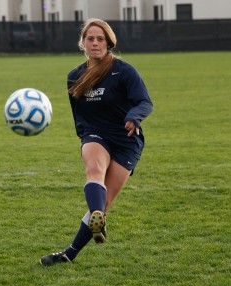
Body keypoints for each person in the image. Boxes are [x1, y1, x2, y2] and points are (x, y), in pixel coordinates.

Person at [40, 18, 153, 266]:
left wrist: (134, 117)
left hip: (126, 139)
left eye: (100, 38)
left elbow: (145, 102)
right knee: (94, 170)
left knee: (103, 203)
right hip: (95, 134)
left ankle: (74, 248)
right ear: (83, 43)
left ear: (108, 42)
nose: (95, 43)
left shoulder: (124, 71)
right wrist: (84, 136)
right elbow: (78, 114)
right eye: (90, 38)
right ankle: (84, 235)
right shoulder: (75, 76)